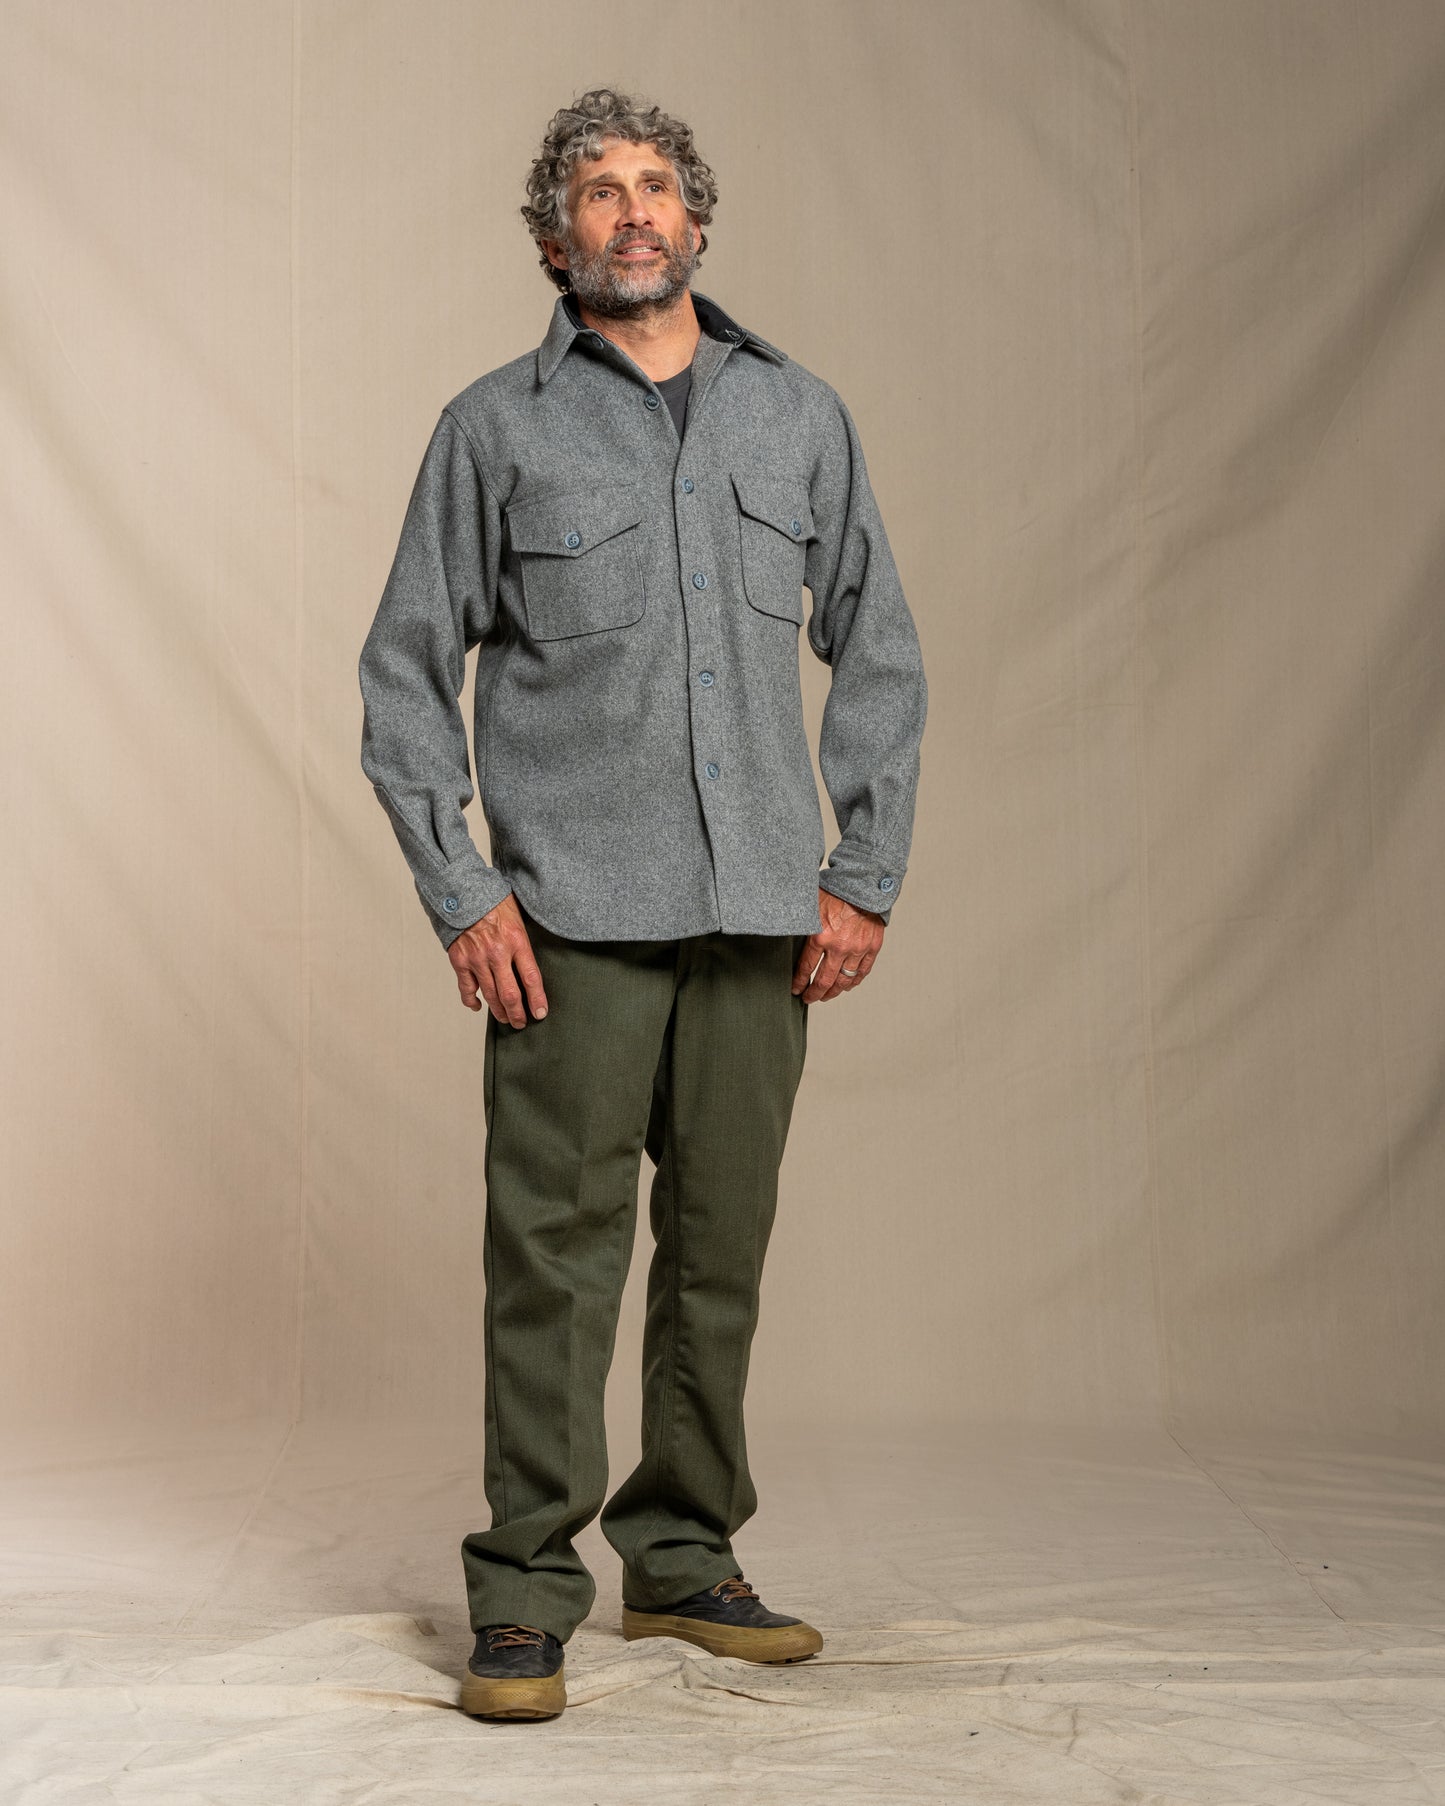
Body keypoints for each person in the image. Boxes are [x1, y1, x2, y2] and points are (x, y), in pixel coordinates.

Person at [358, 87, 927, 1723]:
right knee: (552, 1260)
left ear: (696, 221)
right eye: (596, 191)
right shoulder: (494, 428)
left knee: (719, 1256)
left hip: (761, 913)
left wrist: (863, 872)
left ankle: (681, 1558)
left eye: (655, 185)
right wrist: (462, 890)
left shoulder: (800, 418)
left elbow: (879, 649)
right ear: (555, 237)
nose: (630, 211)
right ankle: (527, 1591)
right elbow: (404, 672)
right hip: (568, 922)